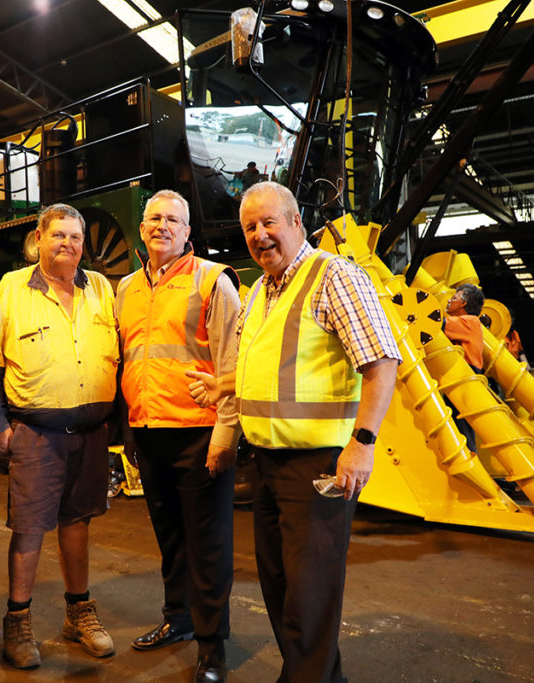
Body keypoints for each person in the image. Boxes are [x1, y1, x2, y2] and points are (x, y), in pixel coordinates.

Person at [189, 182, 399, 682]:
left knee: (308, 597)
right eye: (250, 228)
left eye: (269, 223)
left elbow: (381, 363)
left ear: (296, 222)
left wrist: (362, 445)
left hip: (318, 468)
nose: (260, 235)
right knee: (284, 591)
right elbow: (266, 369)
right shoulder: (260, 290)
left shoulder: (335, 277)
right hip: (265, 465)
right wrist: (223, 385)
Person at [114, 190, 241, 683]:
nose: (162, 226)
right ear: (142, 229)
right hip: (149, 431)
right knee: (170, 538)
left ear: (188, 231)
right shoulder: (126, 287)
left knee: (207, 543)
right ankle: (179, 619)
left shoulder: (212, 281)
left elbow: (230, 361)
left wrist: (226, 434)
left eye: (173, 219)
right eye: (154, 218)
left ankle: (212, 648)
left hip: (199, 431)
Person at [0, 203, 119, 670]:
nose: (67, 244)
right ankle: (18, 622)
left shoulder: (101, 289)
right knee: (28, 529)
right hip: (37, 433)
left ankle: (78, 614)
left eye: (76, 237)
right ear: (38, 239)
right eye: (58, 235)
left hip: (90, 432)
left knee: (78, 521)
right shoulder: (11, 289)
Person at [444, 283, 485, 370]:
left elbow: (439, 324)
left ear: (463, 303)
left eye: (454, 298)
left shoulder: (471, 321)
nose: (449, 301)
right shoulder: (470, 322)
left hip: (469, 371)